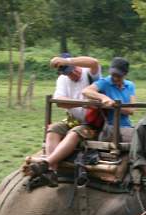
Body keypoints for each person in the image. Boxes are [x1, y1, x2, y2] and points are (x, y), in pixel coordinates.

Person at [23, 53, 101, 187]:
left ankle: (46, 163)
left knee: (75, 133)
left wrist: (66, 61)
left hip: (92, 124)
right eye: (68, 73)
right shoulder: (62, 80)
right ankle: (52, 172)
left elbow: (94, 61)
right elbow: (60, 102)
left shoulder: (90, 73)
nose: (73, 74)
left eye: (73, 70)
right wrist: (83, 103)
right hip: (73, 120)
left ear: (76, 64)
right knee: (53, 129)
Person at [82, 57, 137, 142]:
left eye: (118, 75)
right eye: (113, 74)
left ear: (125, 74)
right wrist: (104, 98)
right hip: (110, 127)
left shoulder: (130, 85)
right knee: (139, 139)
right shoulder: (105, 82)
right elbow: (86, 91)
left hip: (126, 126)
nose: (115, 78)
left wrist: (115, 105)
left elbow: (131, 110)